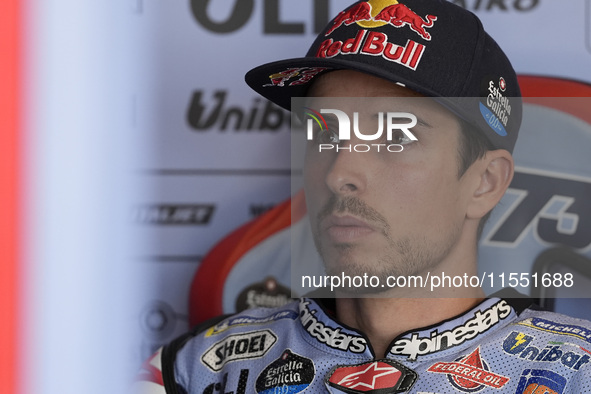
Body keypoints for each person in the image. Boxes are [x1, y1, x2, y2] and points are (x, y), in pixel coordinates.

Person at [135, 1, 591, 393]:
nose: (339, 173)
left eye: (396, 134)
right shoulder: (195, 370)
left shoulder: (575, 373)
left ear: (485, 182)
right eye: (323, 130)